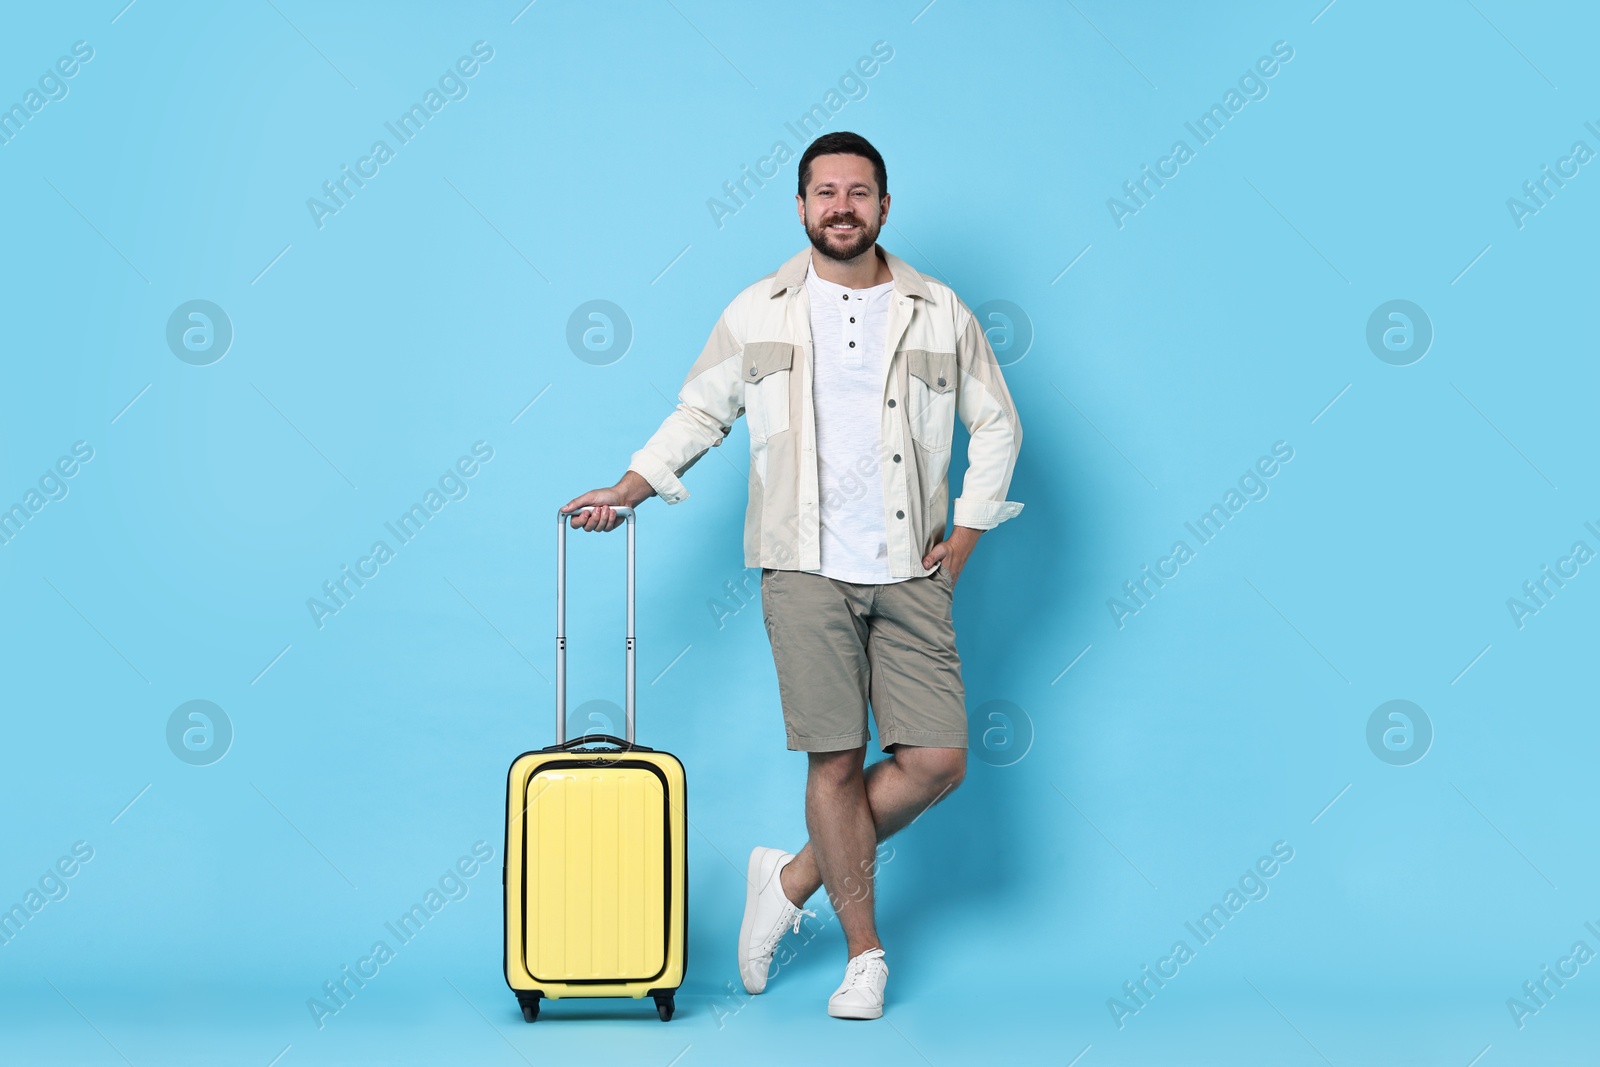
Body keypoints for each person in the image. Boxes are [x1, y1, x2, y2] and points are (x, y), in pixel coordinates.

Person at [561, 131, 1023, 1020]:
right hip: (802, 567)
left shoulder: (939, 310)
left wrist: (967, 532)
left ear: (885, 206)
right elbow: (702, 409)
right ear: (802, 206)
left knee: (937, 760)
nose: (841, 206)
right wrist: (630, 488)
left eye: (859, 192)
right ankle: (865, 956)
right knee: (837, 759)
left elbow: (996, 423)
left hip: (911, 566)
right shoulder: (758, 310)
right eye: (824, 192)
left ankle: (790, 876)